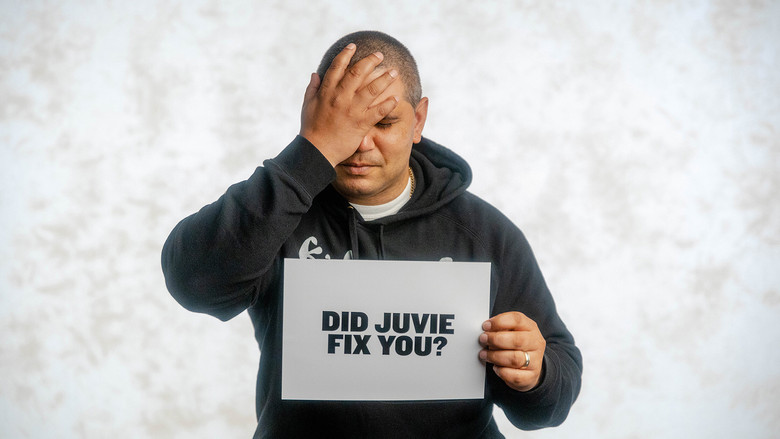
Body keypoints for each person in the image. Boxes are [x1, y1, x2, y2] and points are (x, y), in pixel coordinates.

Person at [162, 30, 582, 438]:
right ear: (314, 114)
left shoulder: (485, 233)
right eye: (346, 124)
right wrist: (312, 151)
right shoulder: (274, 214)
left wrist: (535, 372)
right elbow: (193, 285)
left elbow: (553, 401)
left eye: (384, 122)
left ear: (418, 121)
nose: (361, 143)